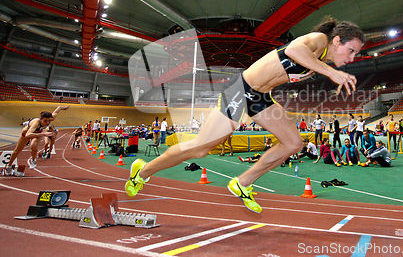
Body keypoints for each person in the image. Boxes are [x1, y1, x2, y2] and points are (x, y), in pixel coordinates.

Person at [125, 16, 365, 213]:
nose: (352, 58)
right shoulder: (319, 40)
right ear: (336, 41)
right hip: (240, 90)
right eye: (351, 50)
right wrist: (331, 74)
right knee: (200, 148)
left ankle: (242, 183)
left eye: (356, 54)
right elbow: (293, 49)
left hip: (260, 97)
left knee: (293, 143)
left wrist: (324, 73)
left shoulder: (321, 56)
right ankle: (142, 172)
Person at [4, 106, 69, 174]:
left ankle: (33, 160)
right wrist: (43, 134)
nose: (47, 123)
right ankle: (9, 166)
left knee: (33, 145)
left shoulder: (50, 118)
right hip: (26, 134)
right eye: (45, 121)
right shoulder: (36, 123)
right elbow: (28, 135)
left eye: (49, 121)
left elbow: (56, 111)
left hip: (37, 133)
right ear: (41, 119)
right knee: (17, 151)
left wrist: (63, 107)